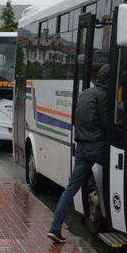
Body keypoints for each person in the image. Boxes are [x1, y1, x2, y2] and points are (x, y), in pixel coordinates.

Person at [48, 64, 111, 243]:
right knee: (121, 171)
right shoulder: (104, 96)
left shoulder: (85, 93)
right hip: (97, 147)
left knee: (71, 188)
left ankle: (55, 228)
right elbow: (107, 124)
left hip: (81, 147)